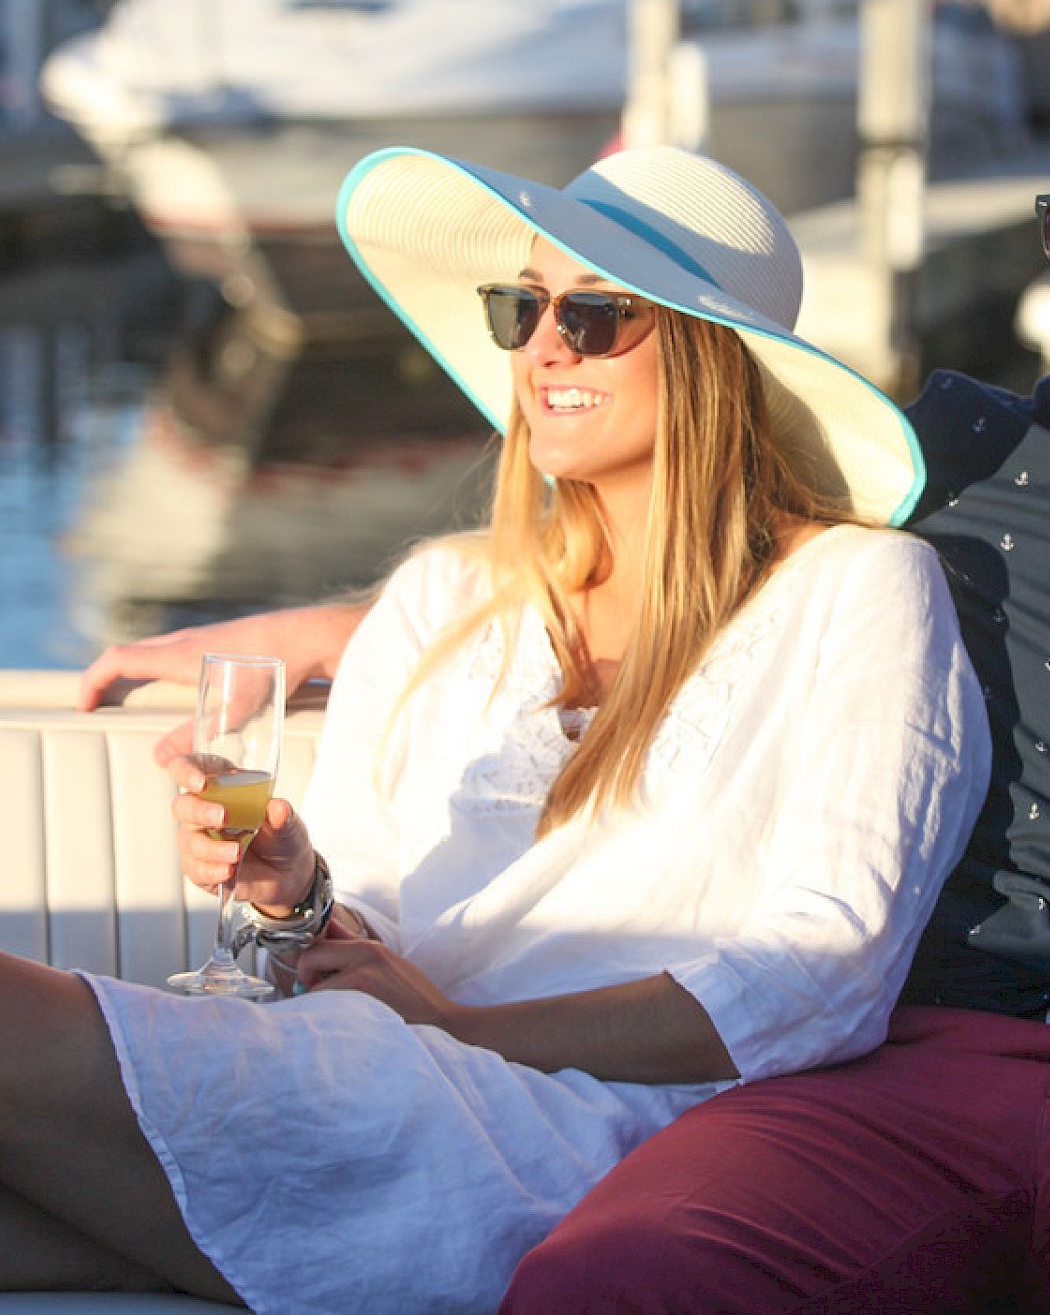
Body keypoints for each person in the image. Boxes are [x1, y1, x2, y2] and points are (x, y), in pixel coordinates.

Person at [79, 20, 1050, 1312]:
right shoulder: (952, 453)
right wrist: (316, 638)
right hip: (909, 1067)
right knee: (615, 1278)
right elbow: (674, 544)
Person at [2, 144, 990, 1309]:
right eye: (521, 307)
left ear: (719, 357)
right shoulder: (442, 598)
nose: (545, 346)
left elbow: (825, 976)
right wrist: (293, 890)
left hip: (623, 1131)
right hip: (379, 1081)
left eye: (597, 312)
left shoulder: (860, 590)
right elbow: (360, 933)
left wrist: (466, 1025)